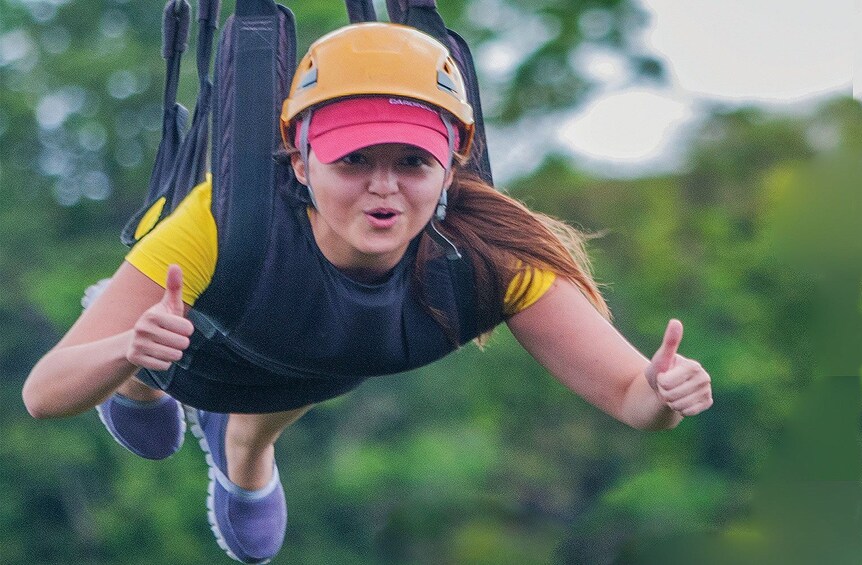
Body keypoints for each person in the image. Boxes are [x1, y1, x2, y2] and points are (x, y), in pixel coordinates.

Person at [22, 22, 713, 565]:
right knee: (157, 340)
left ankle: (246, 449)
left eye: (413, 161)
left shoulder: (489, 252)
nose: (384, 187)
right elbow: (44, 393)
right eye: (354, 160)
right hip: (200, 345)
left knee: (329, 341)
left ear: (452, 166)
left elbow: (632, 399)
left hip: (325, 359)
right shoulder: (221, 224)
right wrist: (124, 348)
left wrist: (663, 391)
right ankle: (141, 378)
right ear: (300, 158)